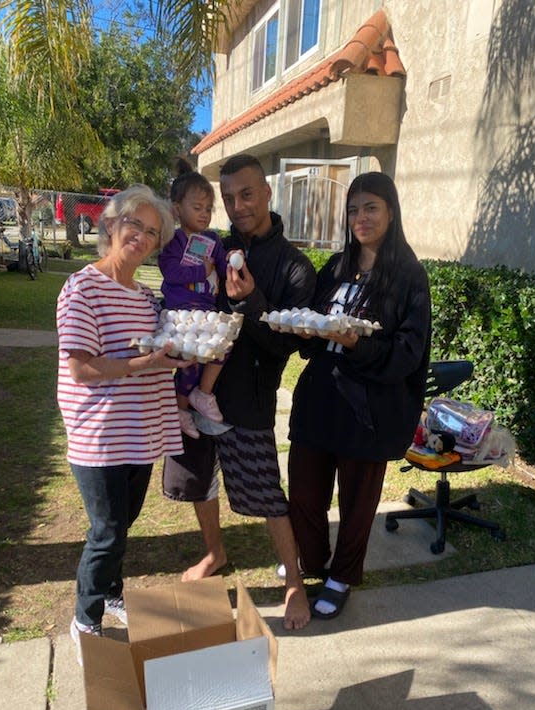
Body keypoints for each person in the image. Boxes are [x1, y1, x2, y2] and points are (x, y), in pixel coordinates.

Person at [163, 154, 316, 630]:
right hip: (193, 388)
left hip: (247, 396)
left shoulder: (295, 267)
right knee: (198, 483)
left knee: (266, 493)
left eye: (246, 194)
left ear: (268, 191)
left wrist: (249, 300)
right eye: (227, 198)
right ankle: (215, 553)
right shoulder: (215, 244)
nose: (236, 205)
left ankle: (293, 583)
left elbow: (284, 345)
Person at [288, 171, 432, 620]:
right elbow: (313, 331)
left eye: (371, 207)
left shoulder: (409, 276)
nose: (360, 218)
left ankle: (343, 574)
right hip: (319, 400)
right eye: (353, 209)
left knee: (357, 500)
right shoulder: (336, 266)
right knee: (305, 491)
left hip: (368, 408)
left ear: (391, 211)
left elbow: (408, 352)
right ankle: (312, 562)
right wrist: (305, 330)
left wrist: (357, 344)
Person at [57, 184, 190, 664]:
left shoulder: (147, 297)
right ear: (110, 225)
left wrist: (183, 353)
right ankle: (85, 616)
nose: (142, 236)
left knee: (123, 524)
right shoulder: (82, 287)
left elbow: (162, 348)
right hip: (100, 436)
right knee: (107, 530)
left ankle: (112, 594)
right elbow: (82, 368)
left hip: (140, 433)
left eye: (153, 233)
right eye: (135, 224)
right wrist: (144, 365)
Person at [159, 160, 228, 440]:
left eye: (208, 209)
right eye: (197, 208)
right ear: (177, 209)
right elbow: (171, 272)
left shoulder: (212, 239)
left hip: (206, 311)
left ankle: (203, 393)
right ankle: (180, 410)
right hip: (180, 314)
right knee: (189, 362)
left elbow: (223, 264)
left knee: (223, 345)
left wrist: (232, 268)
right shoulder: (172, 241)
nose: (204, 215)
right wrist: (202, 270)